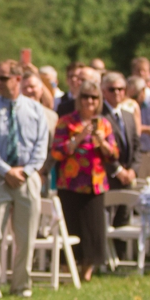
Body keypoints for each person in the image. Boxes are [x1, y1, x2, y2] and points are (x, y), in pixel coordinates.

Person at [0, 59, 51, 298]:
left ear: (17, 79)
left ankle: (21, 286)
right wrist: (6, 170)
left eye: (3, 78)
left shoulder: (35, 109)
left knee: (26, 235)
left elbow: (42, 145)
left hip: (27, 178)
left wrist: (27, 171)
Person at [52, 80, 118, 283]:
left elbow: (114, 154)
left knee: (93, 228)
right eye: (85, 97)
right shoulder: (66, 122)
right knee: (71, 225)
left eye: (94, 97)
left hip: (94, 183)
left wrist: (103, 143)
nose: (90, 101)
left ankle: (87, 270)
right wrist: (78, 137)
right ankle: (67, 268)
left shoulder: (104, 123)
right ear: (78, 99)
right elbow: (57, 151)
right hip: (70, 183)